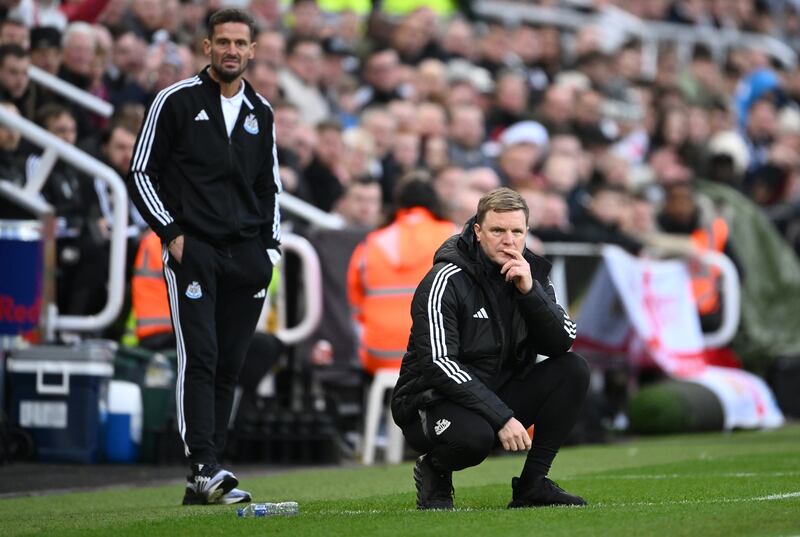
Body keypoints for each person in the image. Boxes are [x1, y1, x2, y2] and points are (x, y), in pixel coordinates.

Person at [126, 8, 281, 506]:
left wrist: (270, 249)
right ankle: (204, 465)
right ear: (207, 47)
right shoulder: (174, 100)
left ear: (252, 50)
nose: (232, 50)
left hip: (248, 255)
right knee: (201, 357)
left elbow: (268, 186)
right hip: (196, 250)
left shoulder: (262, 111)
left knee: (231, 364)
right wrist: (171, 233)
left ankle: (207, 477)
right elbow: (140, 172)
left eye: (240, 42)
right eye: (223, 42)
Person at [391, 187, 590, 510]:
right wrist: (502, 418)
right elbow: (438, 363)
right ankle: (435, 470)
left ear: (527, 233)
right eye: (498, 230)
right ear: (478, 232)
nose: (508, 240)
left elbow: (562, 341)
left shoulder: (531, 275)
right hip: (430, 401)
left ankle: (532, 485)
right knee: (473, 440)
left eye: (517, 231)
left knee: (573, 369)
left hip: (494, 394)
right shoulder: (445, 278)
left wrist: (530, 294)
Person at [347, 175, 456, 375]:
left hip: (378, 356)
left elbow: (355, 307)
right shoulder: (453, 237)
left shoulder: (371, 242)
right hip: (437, 356)